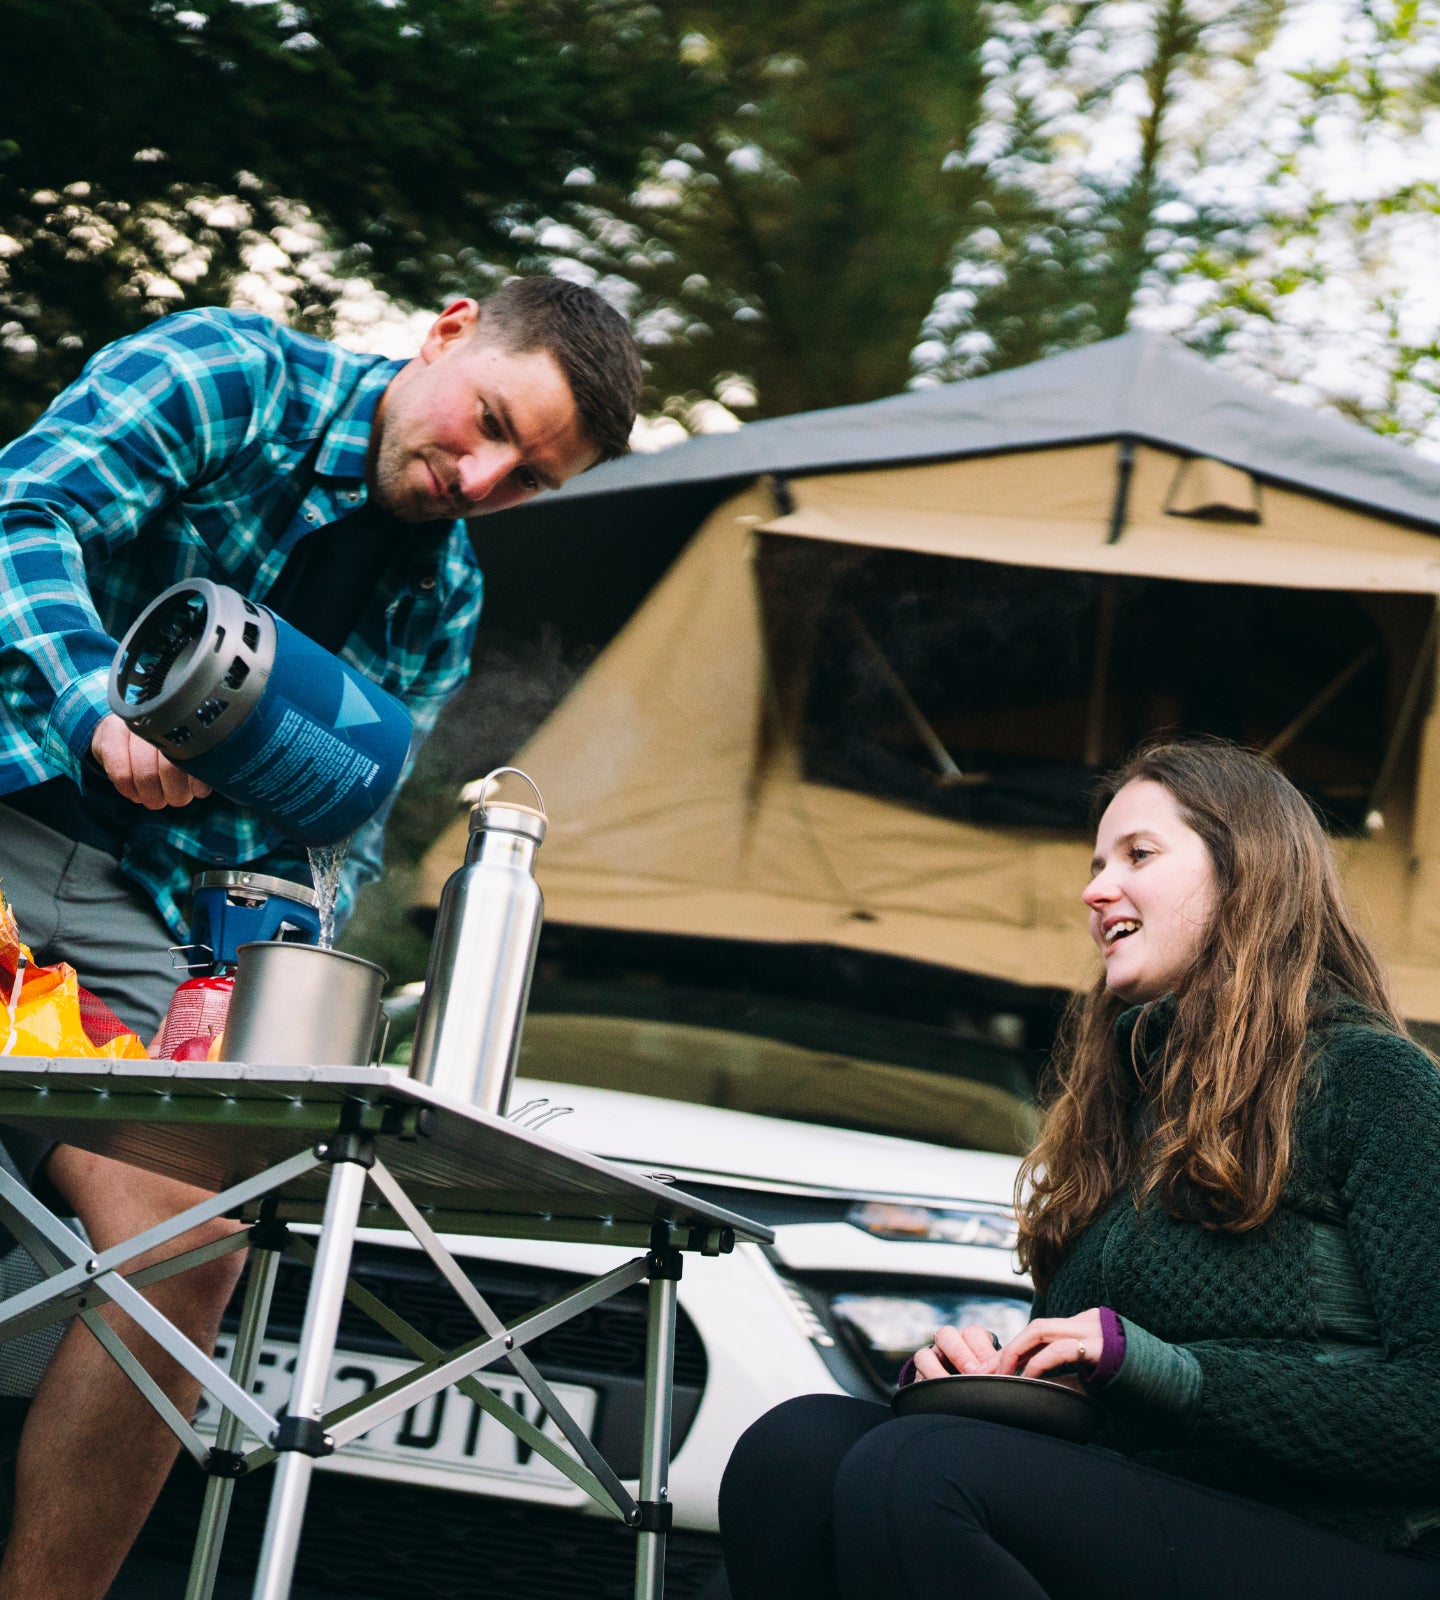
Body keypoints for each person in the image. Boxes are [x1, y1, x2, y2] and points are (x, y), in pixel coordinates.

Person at [0, 277, 643, 1598]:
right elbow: (20, 514)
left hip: (136, 919)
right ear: (451, 331)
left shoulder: (437, 605)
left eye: (530, 477)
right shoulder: (229, 379)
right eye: (492, 422)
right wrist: (91, 706)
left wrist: (240, 998)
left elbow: (322, 844)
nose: (485, 476)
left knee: (194, 1238)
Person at [719, 738, 1440, 1599]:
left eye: (1138, 855)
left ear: (1248, 874)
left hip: (1343, 1543)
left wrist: (1153, 1365)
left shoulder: (1374, 1082)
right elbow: (1093, 1402)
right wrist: (984, 1382)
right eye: (1097, 864)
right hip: (1154, 1513)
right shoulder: (1121, 1111)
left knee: (923, 1474)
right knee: (794, 1451)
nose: (1096, 891)